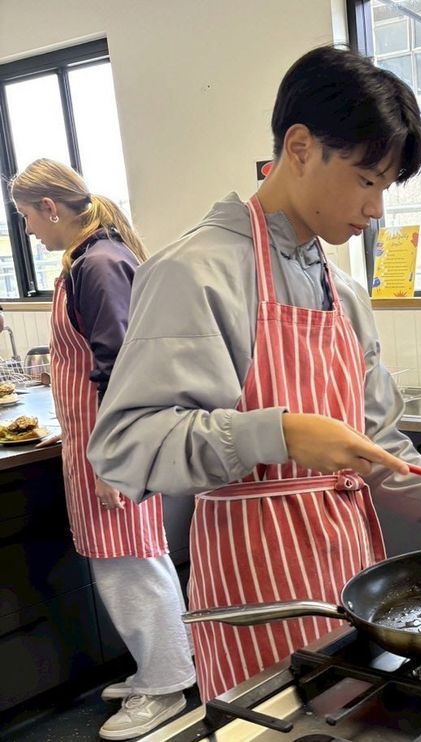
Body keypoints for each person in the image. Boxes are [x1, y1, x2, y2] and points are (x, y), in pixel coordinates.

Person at [87, 46, 421, 703]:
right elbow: (124, 448)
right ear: (300, 147)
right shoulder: (194, 273)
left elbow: (383, 451)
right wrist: (276, 434)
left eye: (385, 187)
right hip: (256, 587)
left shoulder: (342, 290)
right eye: (367, 179)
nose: (376, 209)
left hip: (349, 579)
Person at [10, 159, 195, 740]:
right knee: (135, 560)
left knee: (129, 567)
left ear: (50, 207)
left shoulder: (100, 263)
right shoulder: (91, 259)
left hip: (109, 449)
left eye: (27, 220)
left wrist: (115, 460)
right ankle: (167, 668)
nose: (31, 234)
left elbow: (121, 372)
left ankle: (165, 688)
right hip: (98, 446)